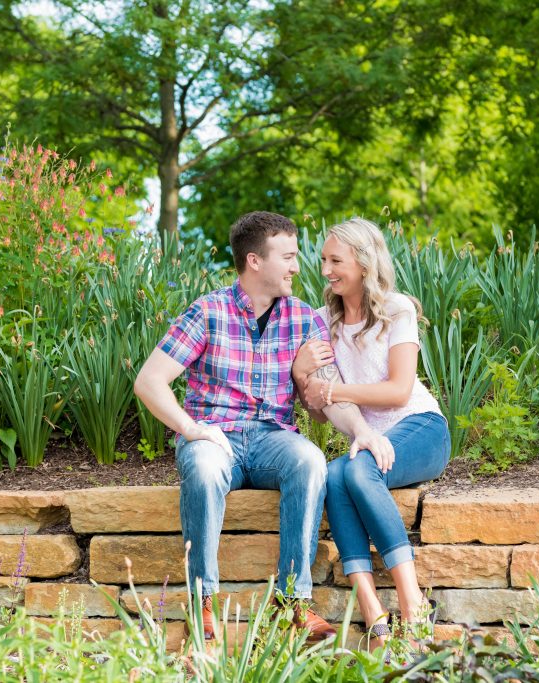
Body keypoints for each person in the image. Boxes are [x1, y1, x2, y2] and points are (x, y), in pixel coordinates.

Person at [134, 211, 381, 642]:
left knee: (309, 459)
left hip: (273, 438)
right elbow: (149, 381)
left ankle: (294, 604)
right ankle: (203, 605)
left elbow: (327, 393)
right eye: (287, 256)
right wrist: (190, 428)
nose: (297, 266)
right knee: (206, 469)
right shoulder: (208, 311)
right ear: (254, 261)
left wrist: (359, 429)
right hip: (216, 435)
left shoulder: (305, 318)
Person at [292, 217, 450, 651]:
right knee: (335, 475)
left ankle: (412, 602)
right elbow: (322, 411)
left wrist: (331, 388)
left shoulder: (396, 309)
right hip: (367, 439)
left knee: (357, 471)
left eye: (335, 260)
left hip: (420, 428)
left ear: (364, 262)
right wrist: (304, 378)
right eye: (323, 259)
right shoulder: (324, 321)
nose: (325, 269)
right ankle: (372, 613)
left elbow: (399, 390)